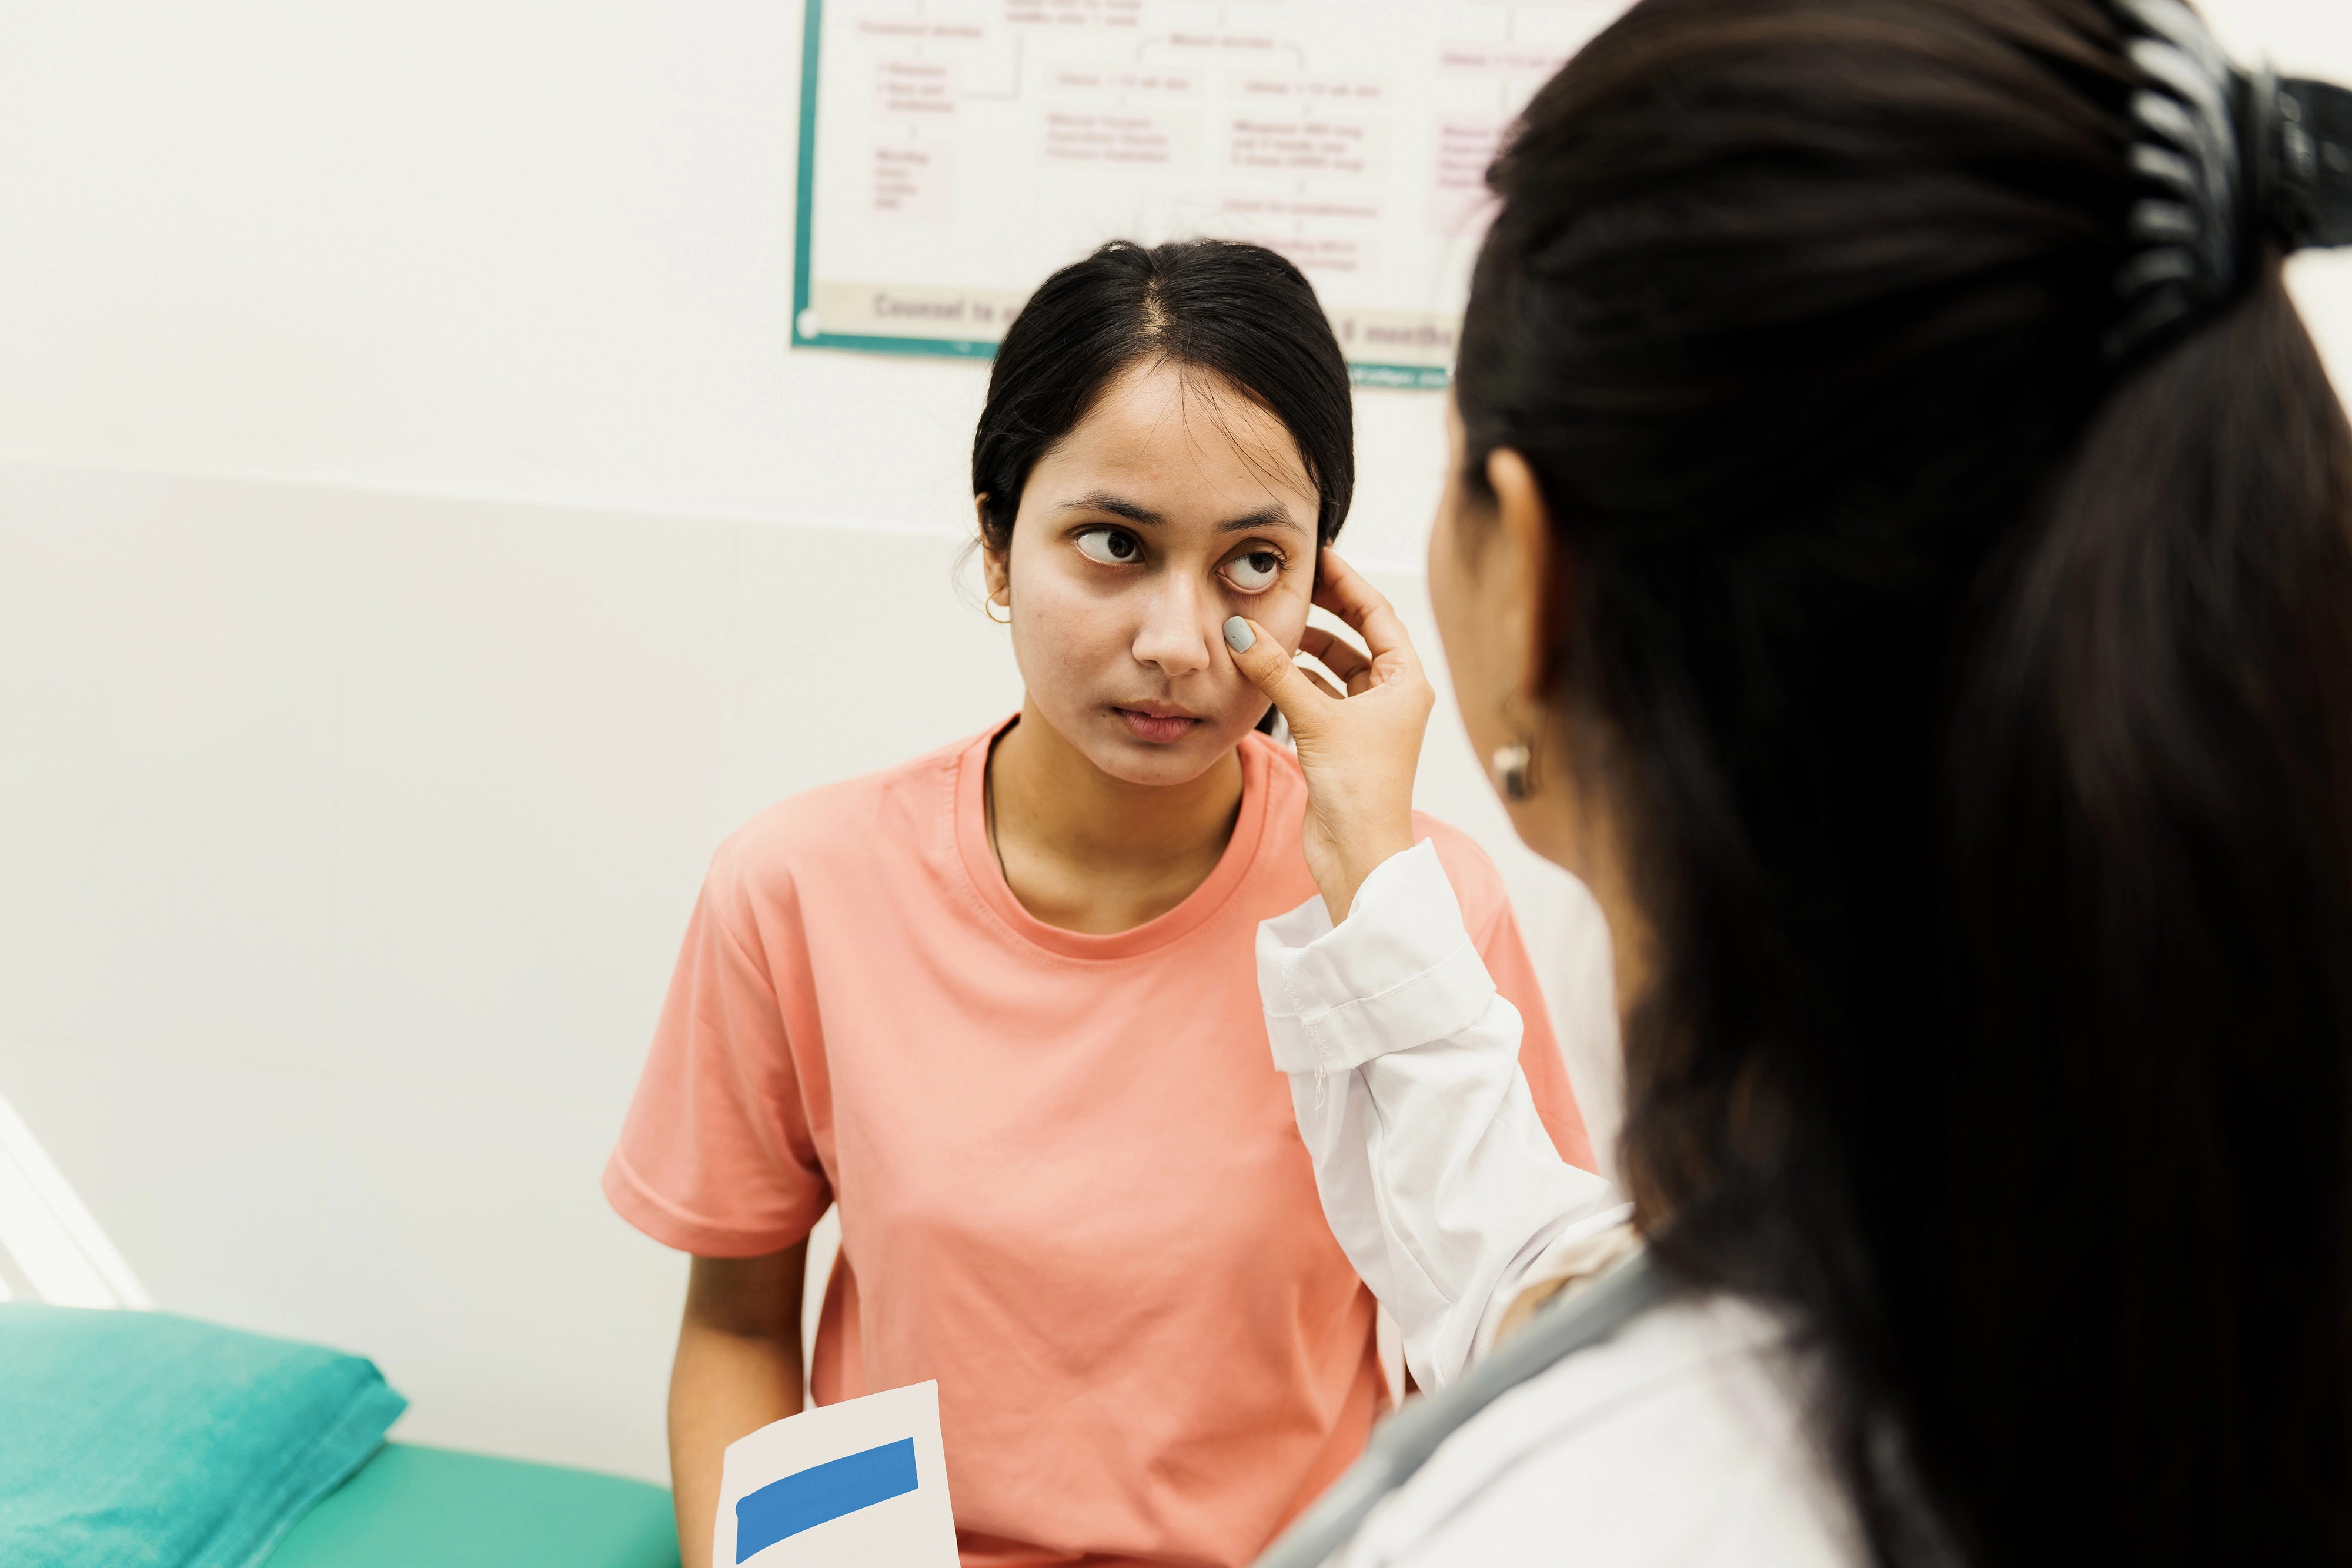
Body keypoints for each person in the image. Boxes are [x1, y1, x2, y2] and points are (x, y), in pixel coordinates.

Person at [1220, 0, 2352, 1563]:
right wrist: (1369, 858)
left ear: (1529, 577)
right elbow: (1595, 1294)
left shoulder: (1530, 1526)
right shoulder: (2193, 1305)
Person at [602, 238, 1599, 1568]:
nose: (1179, 644)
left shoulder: (1412, 913)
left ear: (1323, 586)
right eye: (1114, 544)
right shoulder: (795, 890)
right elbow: (735, 1325)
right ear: (998, 541)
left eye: (1252, 563)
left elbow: (1505, 1355)